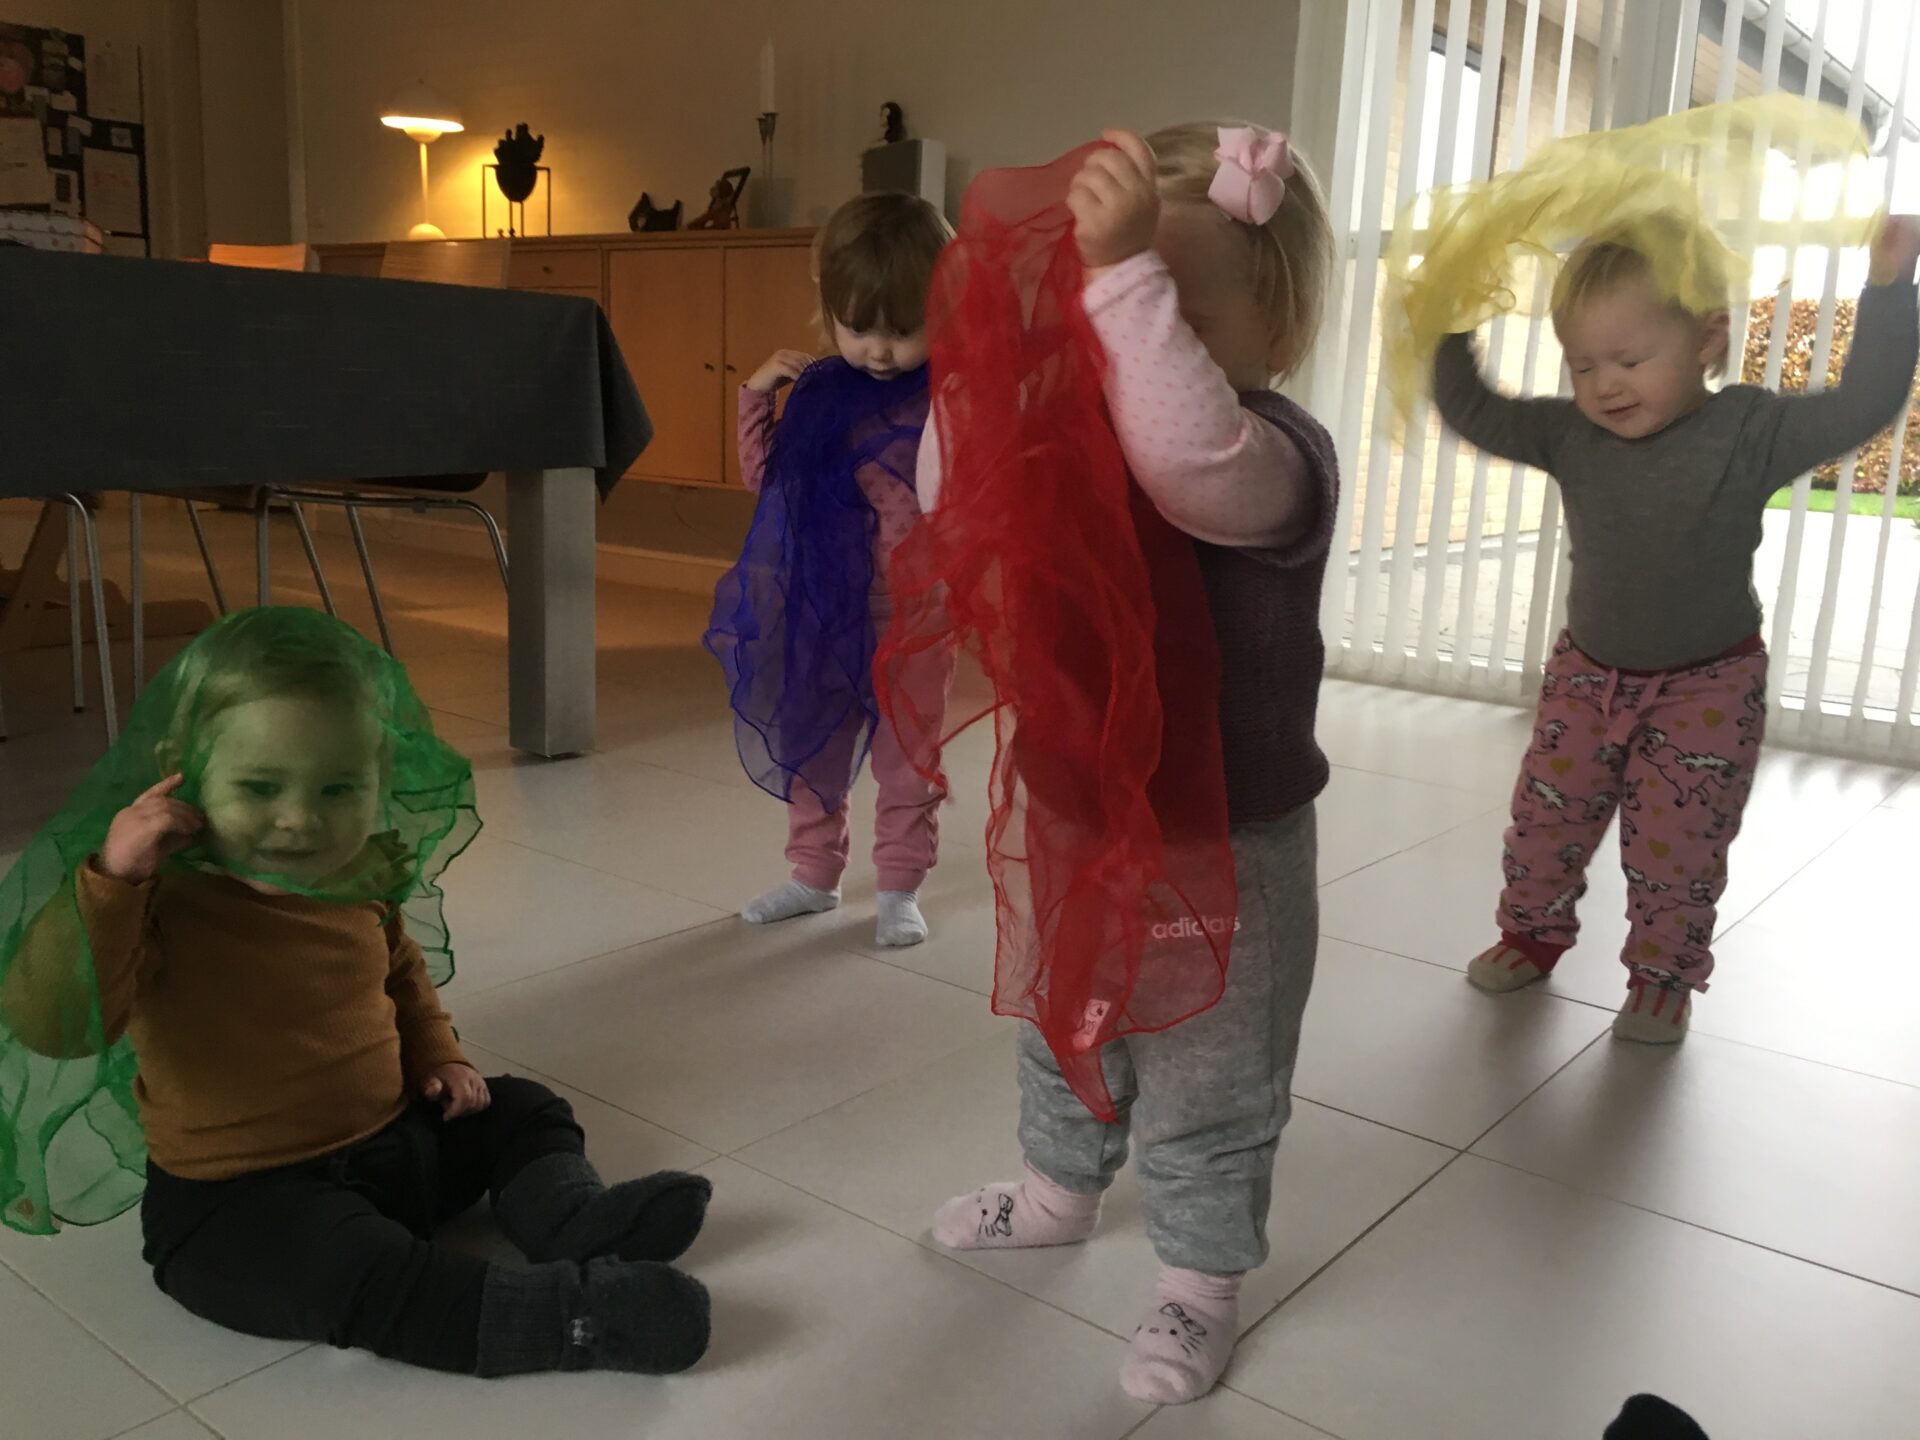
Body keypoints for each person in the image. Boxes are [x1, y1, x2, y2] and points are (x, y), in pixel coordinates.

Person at [0, 608, 712, 1377]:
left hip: (393, 1145)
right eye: (259, 786)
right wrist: (114, 880)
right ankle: (564, 1319)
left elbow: (398, 969)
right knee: (357, 1269)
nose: (300, 820)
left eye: (339, 788)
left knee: (525, 1108)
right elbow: (55, 1023)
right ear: (182, 770)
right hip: (240, 1202)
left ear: (379, 777)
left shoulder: (357, 871)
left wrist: (439, 1055)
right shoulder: (155, 901)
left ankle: (570, 1218)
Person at [914, 122, 1338, 1405]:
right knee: (1070, 1023)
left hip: (1231, 835)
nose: (1126, 345)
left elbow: (1184, 462)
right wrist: (992, 361)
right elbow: (946, 494)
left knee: (1211, 1068)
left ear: (1275, 332)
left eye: (1172, 318)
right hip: (1078, 811)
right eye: (1100, 314)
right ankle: (1056, 1191)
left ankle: (1201, 1282)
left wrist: (1118, 278)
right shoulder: (1070, 448)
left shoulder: (1278, 456)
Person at [1401, 98, 1920, 1041]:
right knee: (1546, 820)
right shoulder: (1571, 435)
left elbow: (1864, 404)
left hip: (1707, 686)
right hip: (1587, 674)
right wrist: (1446, 325)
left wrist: (1889, 288)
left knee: (1678, 846)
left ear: (1707, 339)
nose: (1603, 384)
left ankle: (1662, 976)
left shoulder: (1747, 431)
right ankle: (1531, 934)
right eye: (1581, 365)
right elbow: (1478, 412)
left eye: (1629, 359)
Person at [707, 191, 955, 948]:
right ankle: (814, 876)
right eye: (858, 329)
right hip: (820, 606)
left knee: (909, 758)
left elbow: (973, 494)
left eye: (902, 332)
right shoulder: (820, 392)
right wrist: (756, 396)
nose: (878, 351)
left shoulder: (947, 394)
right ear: (829, 313)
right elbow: (767, 480)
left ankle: (900, 887)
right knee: (815, 746)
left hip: (914, 614)